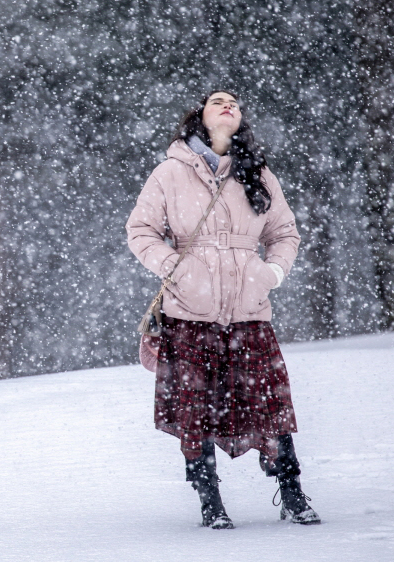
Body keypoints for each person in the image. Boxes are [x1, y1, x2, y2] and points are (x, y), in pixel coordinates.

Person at [125, 90, 320, 529]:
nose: (227, 105)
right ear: (201, 115)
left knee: (271, 403)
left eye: (233, 101)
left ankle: (292, 492)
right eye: (217, 101)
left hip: (250, 309)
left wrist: (271, 275)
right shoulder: (169, 173)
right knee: (196, 409)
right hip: (189, 312)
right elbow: (141, 230)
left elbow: (285, 232)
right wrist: (175, 267)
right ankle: (209, 500)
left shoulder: (258, 172)